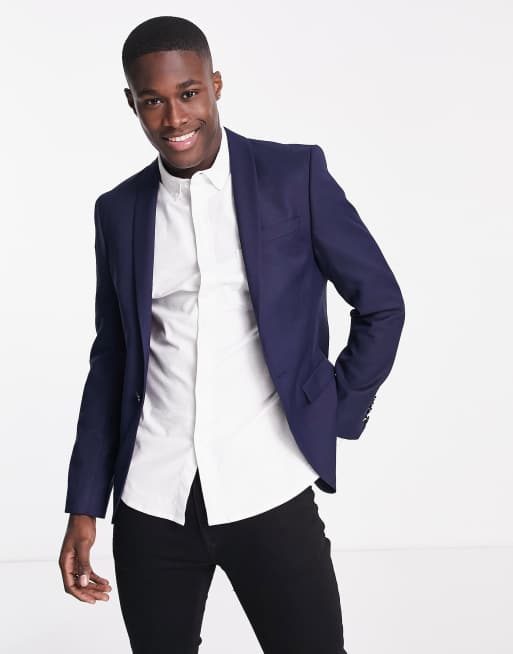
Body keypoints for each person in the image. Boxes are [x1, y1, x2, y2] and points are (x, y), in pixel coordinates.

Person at [58, 15, 405, 654]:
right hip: (152, 503)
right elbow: (111, 360)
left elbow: (381, 303)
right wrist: (85, 504)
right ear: (131, 103)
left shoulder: (294, 176)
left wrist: (335, 409)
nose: (174, 118)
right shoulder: (119, 211)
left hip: (267, 487)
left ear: (215, 85)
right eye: (153, 101)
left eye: (189, 93)